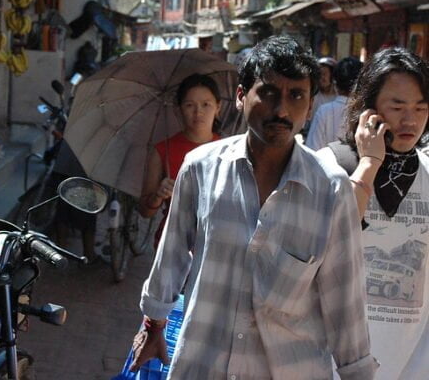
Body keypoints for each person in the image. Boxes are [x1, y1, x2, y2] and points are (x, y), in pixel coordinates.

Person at [130, 35, 377, 379]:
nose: (281, 110)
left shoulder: (330, 189)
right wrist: (153, 323)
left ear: (309, 106)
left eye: (296, 96)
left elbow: (344, 299)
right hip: (203, 363)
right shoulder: (200, 168)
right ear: (242, 97)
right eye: (269, 93)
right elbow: (172, 253)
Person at [319, 47, 429, 379]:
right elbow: (334, 237)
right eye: (397, 107)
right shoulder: (332, 165)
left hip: (412, 363)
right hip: (334, 362)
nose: (410, 120)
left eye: (421, 108)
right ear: (369, 109)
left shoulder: (427, 170)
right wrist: (369, 164)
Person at [138, 73, 221, 247]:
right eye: (190, 105)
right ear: (178, 110)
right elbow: (145, 211)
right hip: (173, 243)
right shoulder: (162, 150)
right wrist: (158, 196)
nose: (198, 112)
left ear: (217, 107)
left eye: (206, 104)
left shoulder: (229, 149)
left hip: (216, 245)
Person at [306, 55, 363, 150]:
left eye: (325, 74)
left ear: (335, 82)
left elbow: (312, 151)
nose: (322, 77)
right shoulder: (367, 112)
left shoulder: (324, 111)